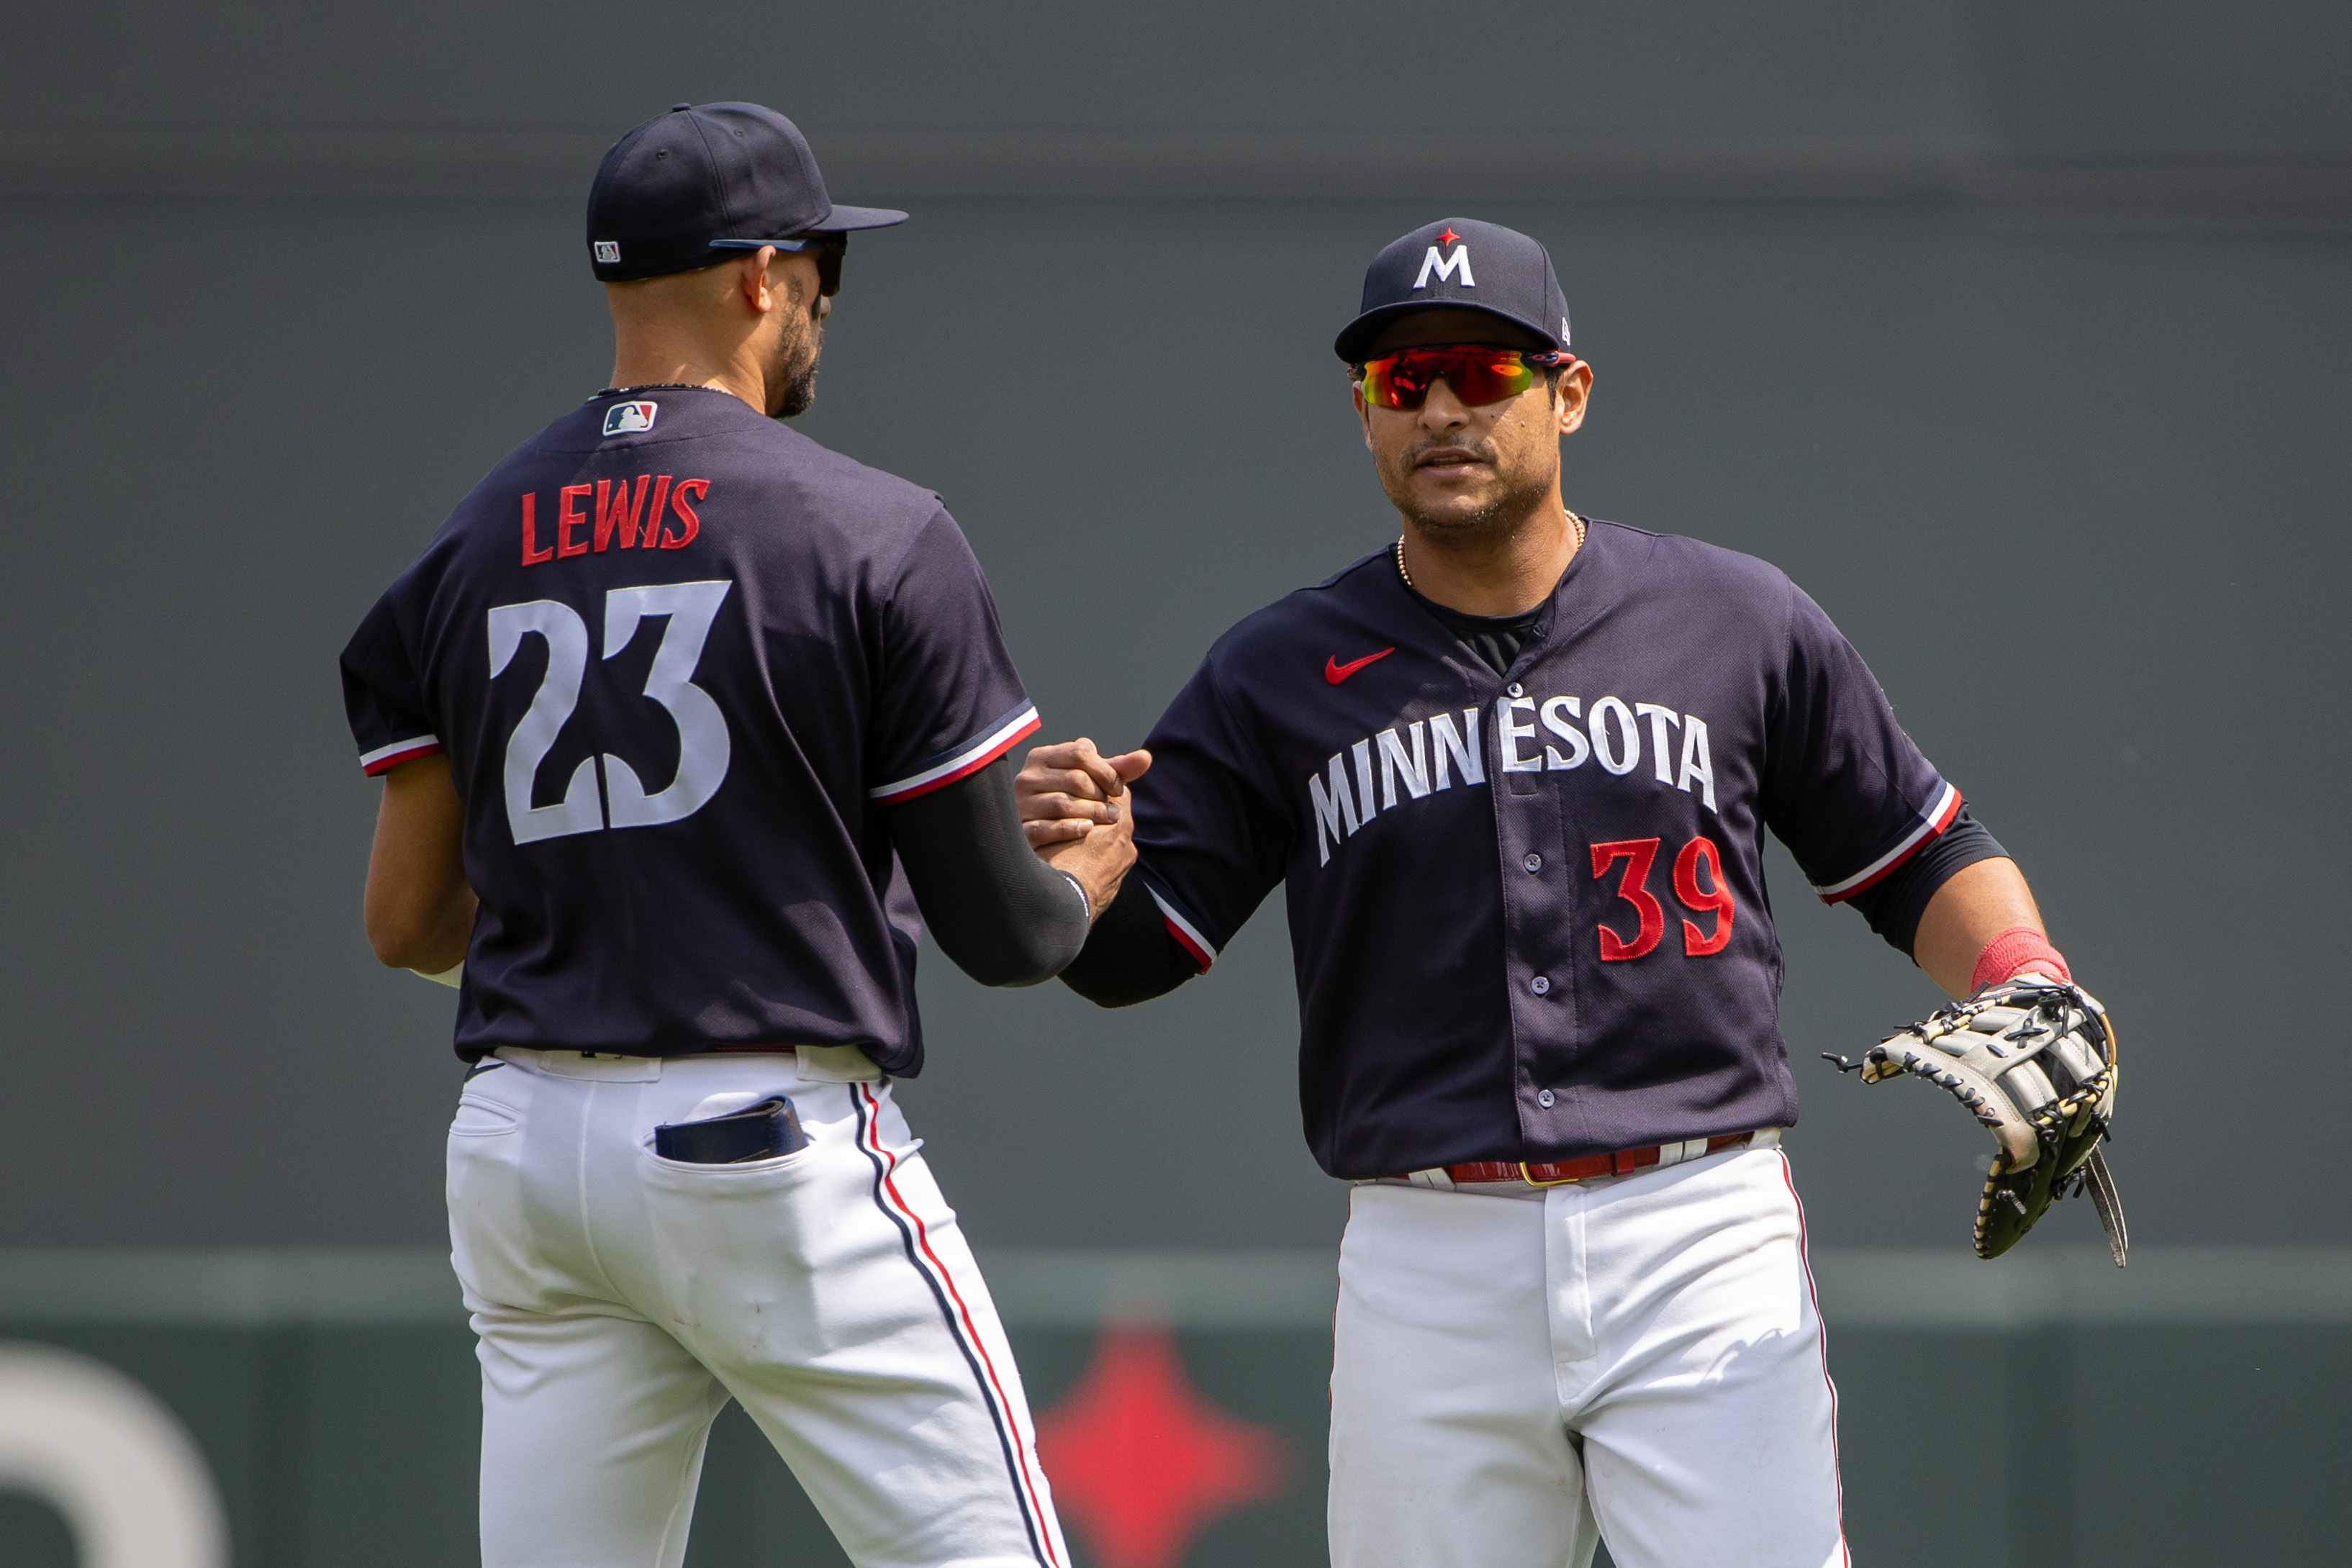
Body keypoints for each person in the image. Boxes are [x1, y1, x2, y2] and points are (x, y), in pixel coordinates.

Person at [1016, 217, 2086, 1568]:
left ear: (1566, 392)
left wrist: (2025, 976)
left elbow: (1921, 848)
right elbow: (1137, 953)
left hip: (1696, 1230)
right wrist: (1079, 876)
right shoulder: (1277, 669)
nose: (1444, 409)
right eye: (1402, 383)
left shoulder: (1736, 620)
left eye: (1481, 370)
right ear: (1364, 415)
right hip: (1428, 1248)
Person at [340, 101, 1124, 1568]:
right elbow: (1005, 938)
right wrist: (1082, 871)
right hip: (758, 1149)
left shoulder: (468, 540)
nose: (825, 299)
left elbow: (408, 922)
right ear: (761, 278)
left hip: (522, 1158)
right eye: (822, 266)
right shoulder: (870, 529)